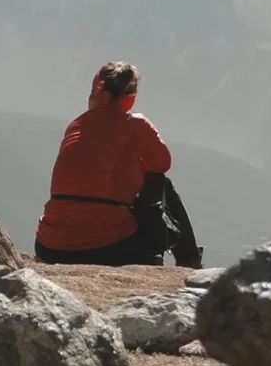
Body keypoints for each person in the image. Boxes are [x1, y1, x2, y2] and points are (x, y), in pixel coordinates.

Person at [34, 61, 200, 267]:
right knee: (160, 183)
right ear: (130, 97)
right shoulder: (136, 124)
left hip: (49, 245)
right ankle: (189, 262)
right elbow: (161, 165)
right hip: (108, 247)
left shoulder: (75, 125)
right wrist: (132, 169)